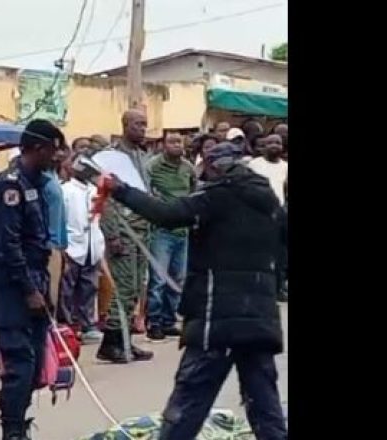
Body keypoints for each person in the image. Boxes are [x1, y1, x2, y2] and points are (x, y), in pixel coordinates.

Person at [98, 142, 288, 440]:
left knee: (188, 403)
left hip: (217, 321)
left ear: (213, 167)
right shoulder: (270, 203)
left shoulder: (215, 197)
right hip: (261, 320)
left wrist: (120, 190)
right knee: (265, 404)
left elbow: (166, 214)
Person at [0, 119, 64, 440]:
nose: (56, 157)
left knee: (34, 364)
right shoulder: (10, 186)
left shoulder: (36, 183)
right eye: (53, 150)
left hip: (35, 276)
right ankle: (12, 431)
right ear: (37, 148)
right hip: (13, 284)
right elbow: (9, 244)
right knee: (19, 362)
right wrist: (29, 289)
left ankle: (20, 421)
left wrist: (43, 285)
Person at [96, 109, 154, 364]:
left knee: (135, 288)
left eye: (145, 124)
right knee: (124, 287)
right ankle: (110, 342)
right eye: (137, 124)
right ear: (125, 125)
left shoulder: (143, 156)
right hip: (123, 229)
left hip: (143, 228)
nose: (142, 129)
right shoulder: (112, 157)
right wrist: (112, 234)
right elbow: (104, 197)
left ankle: (125, 339)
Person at [144, 131, 196, 341]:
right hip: (161, 230)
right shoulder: (153, 166)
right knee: (158, 279)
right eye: (171, 142)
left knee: (178, 278)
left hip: (182, 230)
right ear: (163, 145)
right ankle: (154, 322)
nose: (176, 145)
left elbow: (193, 191)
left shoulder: (188, 167)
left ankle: (168, 320)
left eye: (179, 142)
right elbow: (147, 191)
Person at [58, 151, 105, 344]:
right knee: (67, 289)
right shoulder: (65, 190)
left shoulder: (95, 191)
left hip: (92, 246)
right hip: (72, 245)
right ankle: (68, 324)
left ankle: (87, 325)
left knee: (89, 287)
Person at [44, 142, 69, 318]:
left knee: (54, 296)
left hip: (57, 246)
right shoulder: (40, 178)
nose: (58, 154)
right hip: (45, 245)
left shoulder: (54, 176)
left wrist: (63, 246)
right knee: (47, 298)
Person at [248, 134, 288, 206]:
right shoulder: (253, 164)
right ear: (264, 147)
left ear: (282, 147)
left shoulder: (285, 166)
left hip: (279, 210)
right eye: (270, 143)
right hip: (259, 208)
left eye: (278, 143)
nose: (274, 145)